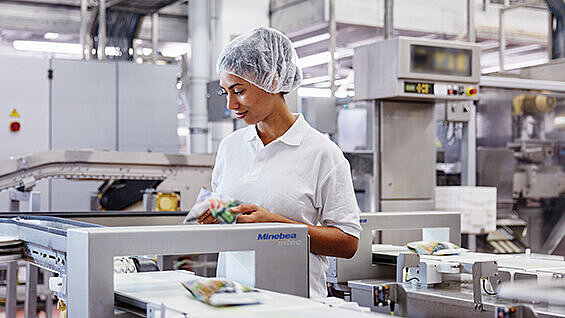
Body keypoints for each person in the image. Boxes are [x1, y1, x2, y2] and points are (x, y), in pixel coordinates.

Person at [198, 26, 361, 299]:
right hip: (233, 300)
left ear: (272, 81)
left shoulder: (322, 153)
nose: (230, 104)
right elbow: (227, 223)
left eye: (238, 91)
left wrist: (277, 225)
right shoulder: (230, 147)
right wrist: (214, 216)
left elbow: (347, 243)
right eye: (225, 92)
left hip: (295, 304)